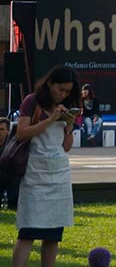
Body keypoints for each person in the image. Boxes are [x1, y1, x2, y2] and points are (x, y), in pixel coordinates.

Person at [12, 65, 81, 267]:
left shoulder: (69, 105)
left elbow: (66, 147)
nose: (64, 94)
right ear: (50, 83)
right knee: (28, 232)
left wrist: (69, 126)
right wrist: (51, 119)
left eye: (68, 91)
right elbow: (21, 133)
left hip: (59, 174)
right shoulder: (32, 101)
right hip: (35, 171)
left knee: (53, 234)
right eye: (61, 89)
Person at [0, 116, 21, 209]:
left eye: (1, 129)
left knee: (16, 178)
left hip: (10, 174)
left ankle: (13, 205)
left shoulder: (13, 144)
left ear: (8, 131)